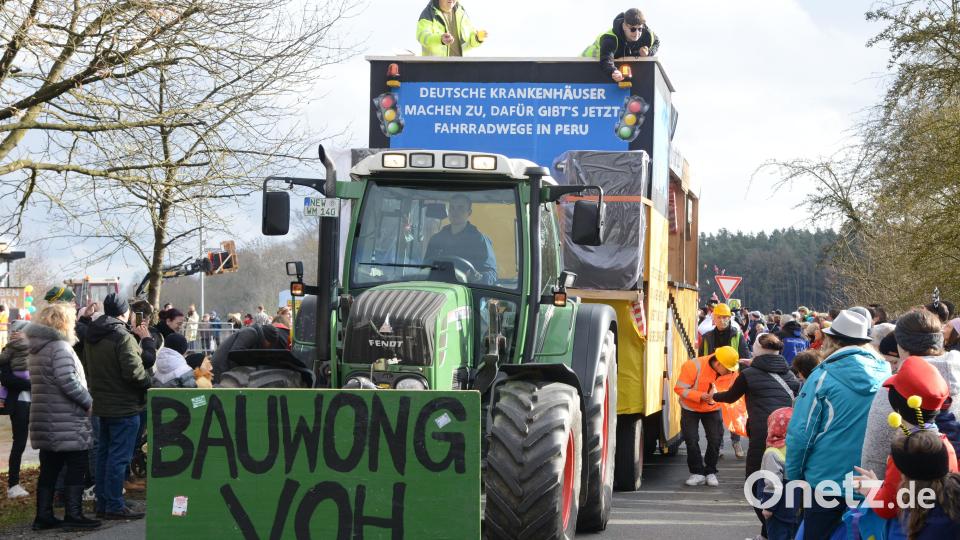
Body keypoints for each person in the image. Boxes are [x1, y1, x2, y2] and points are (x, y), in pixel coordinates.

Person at [785, 309, 891, 539]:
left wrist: (793, 476)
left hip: (826, 479)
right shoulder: (887, 373)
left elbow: (801, 434)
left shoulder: (821, 377)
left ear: (831, 339)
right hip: (871, 479)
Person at [710, 333, 800, 539]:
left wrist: (713, 395)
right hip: (790, 438)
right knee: (784, 485)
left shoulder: (749, 374)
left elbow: (730, 396)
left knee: (754, 485)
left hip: (762, 437)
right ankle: (770, 533)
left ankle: (770, 532)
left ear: (756, 351)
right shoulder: (790, 375)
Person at [852, 355, 957, 520]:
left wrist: (870, 489)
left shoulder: (907, 451)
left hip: (909, 527)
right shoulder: (945, 444)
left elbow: (888, 508)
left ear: (897, 406)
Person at [861, 309, 960, 480]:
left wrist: (872, 490)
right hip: (954, 487)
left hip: (904, 488)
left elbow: (875, 453)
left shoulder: (895, 387)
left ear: (900, 345)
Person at [26, 304, 100, 530]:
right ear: (63, 322)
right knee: (77, 464)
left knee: (50, 467)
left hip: (46, 417)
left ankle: (43, 515)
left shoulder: (38, 348)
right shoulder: (60, 347)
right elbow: (68, 380)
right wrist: (88, 401)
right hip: (66, 418)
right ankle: (73, 514)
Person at [83, 293, 149, 520]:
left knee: (104, 455)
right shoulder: (122, 336)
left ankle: (103, 502)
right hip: (124, 405)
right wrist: (148, 382)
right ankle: (114, 504)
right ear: (124, 313)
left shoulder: (92, 334)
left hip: (102, 403)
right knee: (118, 457)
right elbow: (134, 373)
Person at [674, 345, 739, 487]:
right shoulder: (693, 366)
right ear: (718, 364)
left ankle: (710, 471)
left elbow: (730, 390)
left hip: (713, 407)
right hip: (690, 407)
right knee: (691, 439)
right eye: (728, 369)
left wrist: (715, 398)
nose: (730, 372)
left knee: (715, 439)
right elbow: (679, 388)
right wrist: (700, 396)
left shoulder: (732, 371)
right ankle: (697, 472)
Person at [699, 302, 750, 458]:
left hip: (733, 379)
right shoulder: (707, 337)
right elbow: (701, 359)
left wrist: (743, 380)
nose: (722, 320)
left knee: (734, 412)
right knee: (716, 416)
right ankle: (719, 445)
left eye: (725, 317)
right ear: (714, 318)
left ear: (730, 318)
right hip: (714, 379)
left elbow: (744, 357)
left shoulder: (737, 335)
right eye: (719, 317)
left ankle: (736, 442)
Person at [424, 194, 498, 285]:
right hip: (438, 288)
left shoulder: (480, 240)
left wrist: (479, 277)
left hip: (467, 289)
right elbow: (425, 268)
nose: (455, 212)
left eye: (460, 208)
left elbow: (492, 274)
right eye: (452, 208)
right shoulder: (436, 239)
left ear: (469, 212)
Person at [582, 8, 660, 82]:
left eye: (639, 29)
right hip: (585, 65)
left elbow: (656, 42)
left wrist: (649, 52)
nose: (637, 33)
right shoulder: (610, 38)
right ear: (624, 26)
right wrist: (613, 71)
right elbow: (606, 59)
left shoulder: (647, 35)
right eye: (633, 29)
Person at [757, 407, 800, 540]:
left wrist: (769, 507)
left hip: (778, 510)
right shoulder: (797, 448)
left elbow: (773, 483)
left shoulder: (772, 452)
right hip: (796, 506)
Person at [1, 320, 32, 499]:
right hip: (19, 403)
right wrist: (32, 385)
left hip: (38, 402)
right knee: (19, 442)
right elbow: (7, 379)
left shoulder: (35, 349)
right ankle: (13, 484)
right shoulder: (8, 351)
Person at [211, 323, 290, 382]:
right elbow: (235, 355)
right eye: (270, 344)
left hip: (223, 367)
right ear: (266, 339)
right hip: (220, 368)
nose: (269, 346)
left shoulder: (254, 335)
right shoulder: (250, 333)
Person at [416, 0, 487, 57]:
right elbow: (422, 36)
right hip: (437, 67)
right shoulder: (428, 13)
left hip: (462, 66)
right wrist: (440, 39)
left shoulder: (461, 12)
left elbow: (470, 42)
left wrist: (477, 38)